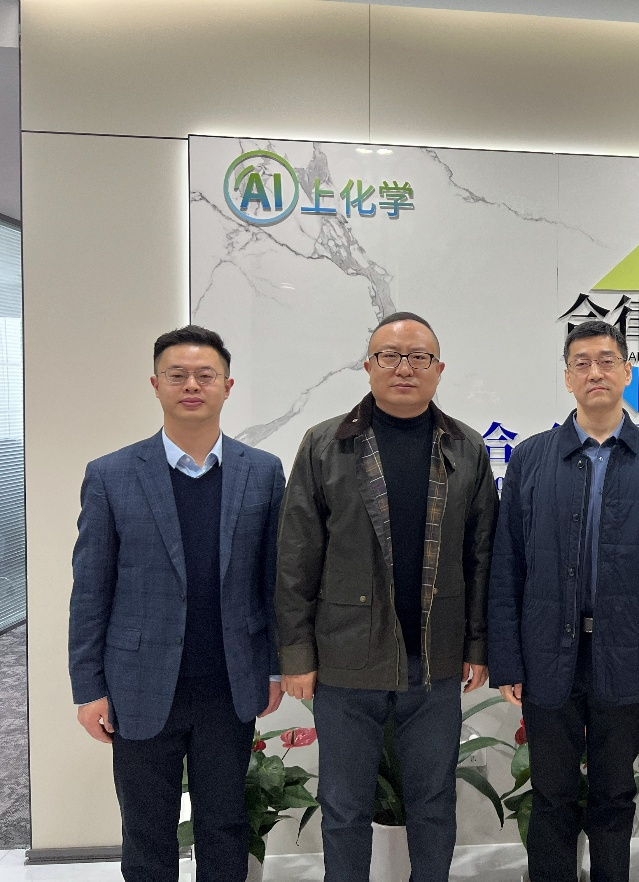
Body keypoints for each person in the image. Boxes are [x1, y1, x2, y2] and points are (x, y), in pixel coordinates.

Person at [275, 312, 498, 882]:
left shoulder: (467, 447)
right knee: (344, 806)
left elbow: (482, 557)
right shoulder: (325, 444)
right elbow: (296, 557)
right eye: (390, 356)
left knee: (434, 802)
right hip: (346, 660)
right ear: (368, 366)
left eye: (419, 357)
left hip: (435, 661)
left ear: (438, 369)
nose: (404, 368)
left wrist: (477, 645)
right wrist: (296, 655)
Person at [68, 325, 285, 882]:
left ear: (227, 386)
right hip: (138, 684)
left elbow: (272, 582)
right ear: (156, 384)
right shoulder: (111, 474)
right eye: (178, 374)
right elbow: (90, 589)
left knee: (225, 825)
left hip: (228, 684)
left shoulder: (262, 472)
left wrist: (274, 667)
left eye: (205, 375)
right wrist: (88, 687)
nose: (192, 385)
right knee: (146, 831)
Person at [488, 319, 639, 882]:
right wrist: (507, 659)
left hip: (627, 653)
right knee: (551, 794)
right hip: (545, 653)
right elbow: (507, 566)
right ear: (567, 378)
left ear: (627, 372)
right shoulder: (531, 458)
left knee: (614, 793)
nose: (595, 372)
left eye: (606, 360)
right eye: (582, 363)